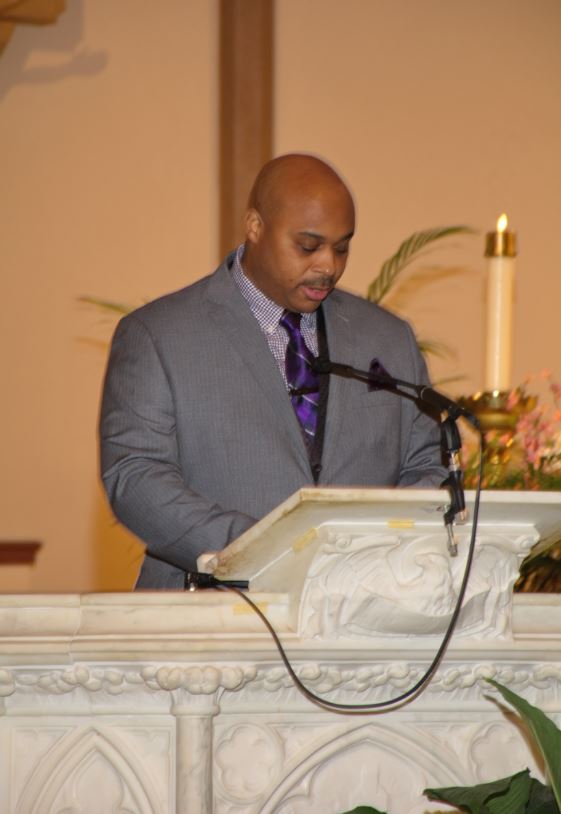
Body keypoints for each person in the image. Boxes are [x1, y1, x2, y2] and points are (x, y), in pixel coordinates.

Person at [100, 154, 446, 590]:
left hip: (363, 606)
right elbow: (135, 477)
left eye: (342, 248)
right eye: (308, 246)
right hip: (212, 608)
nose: (328, 266)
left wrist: (372, 549)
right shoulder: (159, 335)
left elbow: (428, 464)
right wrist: (265, 550)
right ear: (255, 226)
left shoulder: (389, 339)